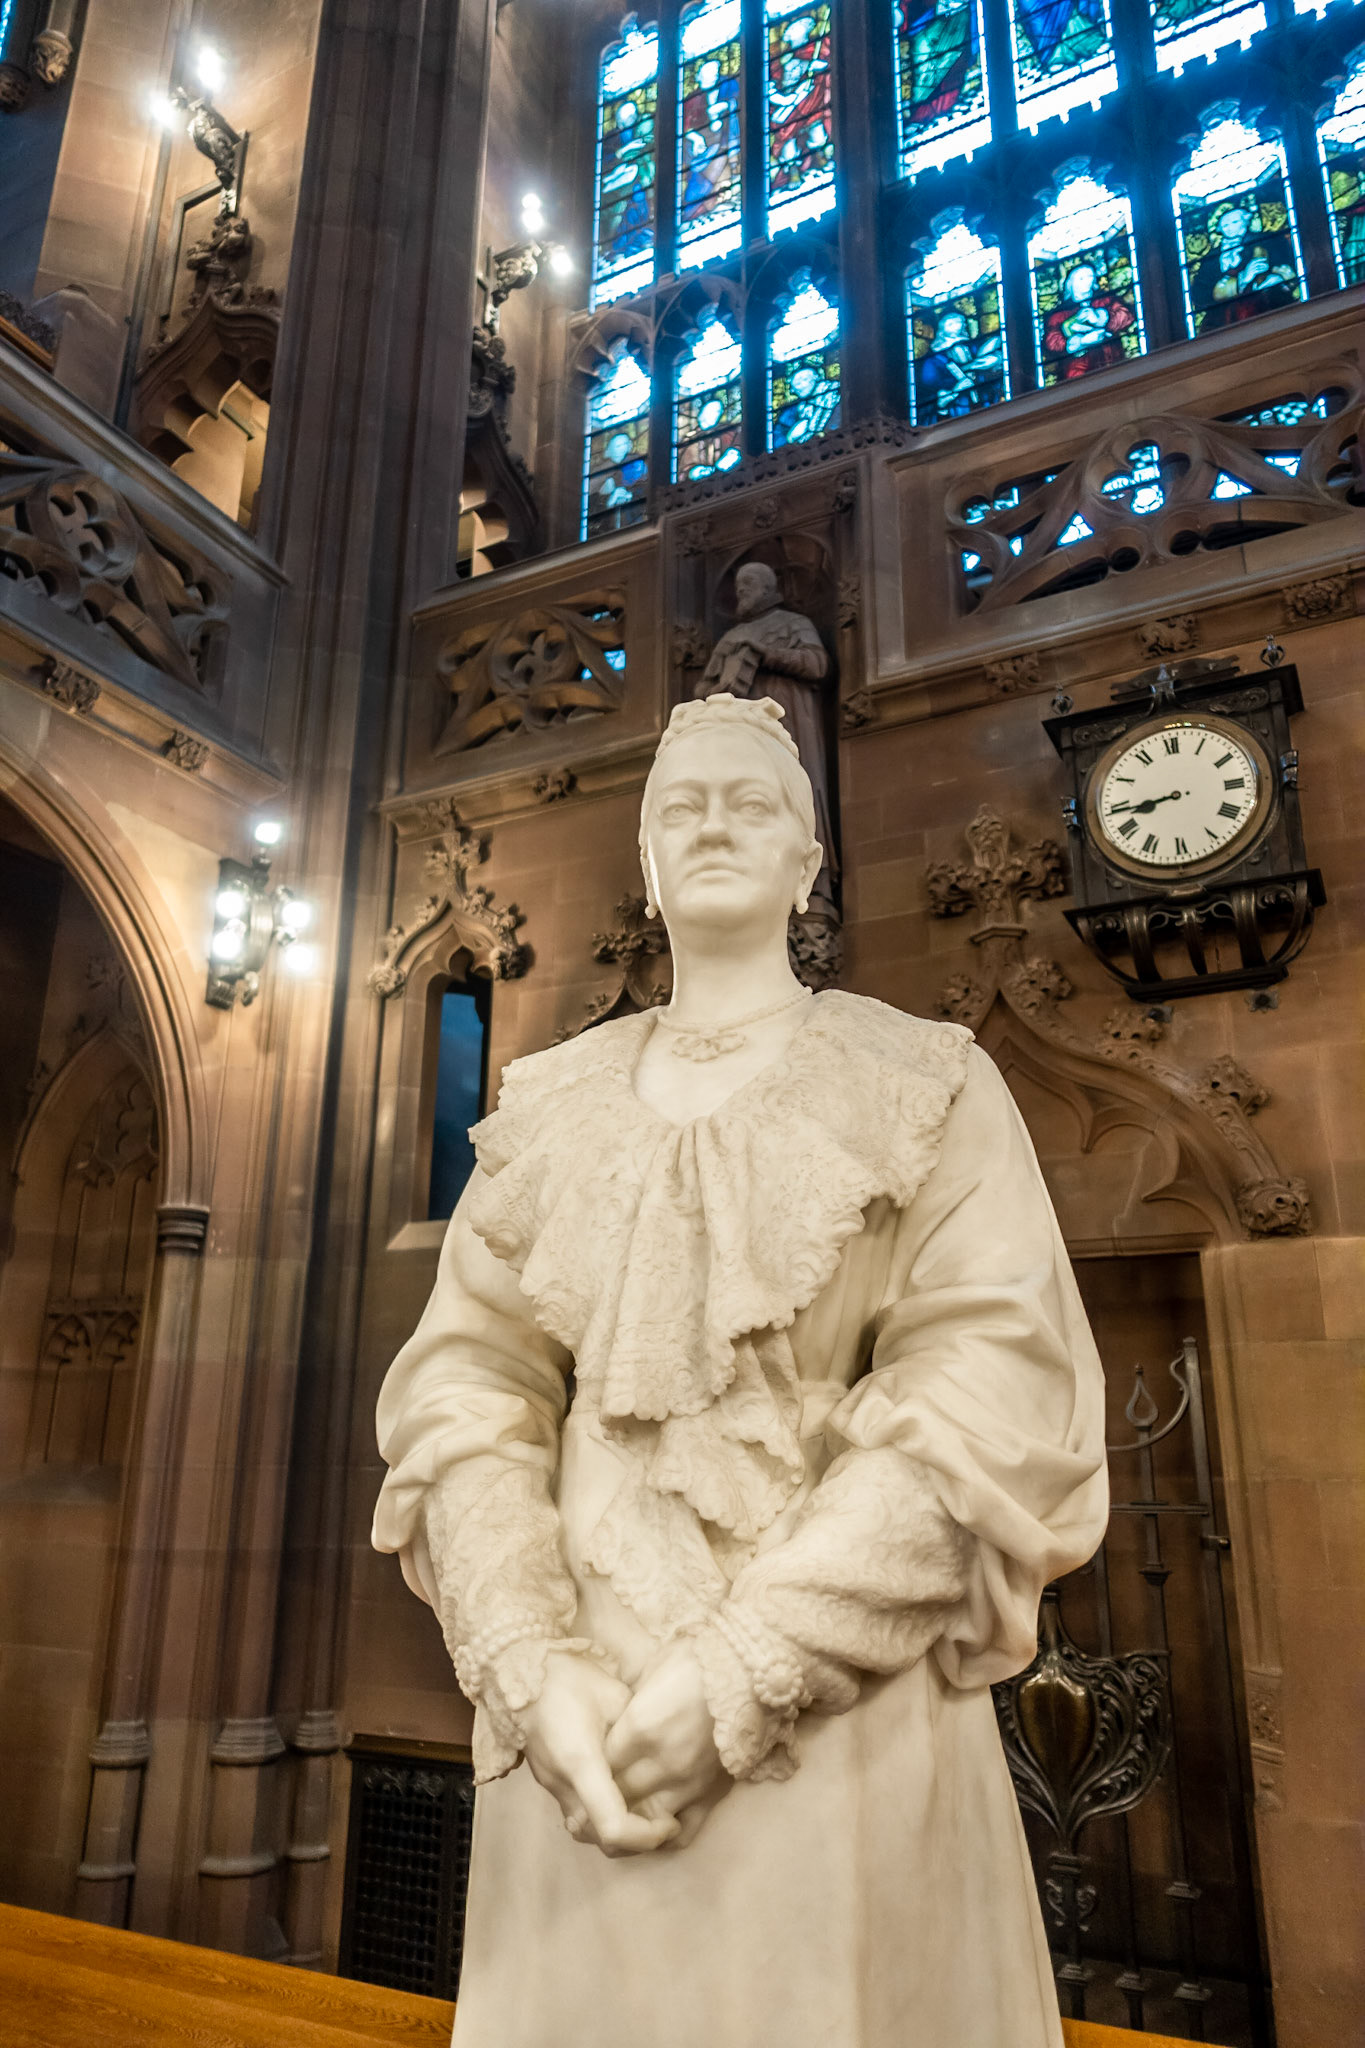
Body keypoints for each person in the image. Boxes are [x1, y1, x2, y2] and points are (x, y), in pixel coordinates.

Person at [373, 693, 1108, 2047]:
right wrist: (528, 1662)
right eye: (680, 807)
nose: (712, 823)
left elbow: (983, 1395)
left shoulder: (926, 1083)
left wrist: (747, 1668)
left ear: (806, 861)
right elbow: (465, 1393)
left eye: (749, 802)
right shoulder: (541, 1108)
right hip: (576, 1724)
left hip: (836, 1725)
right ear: (644, 865)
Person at [697, 563, 836, 919]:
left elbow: (818, 665)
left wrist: (764, 653)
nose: (741, 591)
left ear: (767, 587)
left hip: (790, 726)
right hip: (740, 736)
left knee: (791, 798)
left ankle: (810, 885)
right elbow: (701, 690)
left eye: (748, 584)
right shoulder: (730, 637)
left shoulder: (793, 623)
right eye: (739, 585)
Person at [1041, 259, 1136, 378]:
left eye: (1090, 276)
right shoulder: (1059, 314)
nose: (1087, 281)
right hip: (1076, 368)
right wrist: (1082, 341)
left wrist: (1100, 318)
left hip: (1111, 360)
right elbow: (1052, 341)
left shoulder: (1105, 300)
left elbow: (1126, 316)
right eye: (1081, 278)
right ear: (1071, 283)